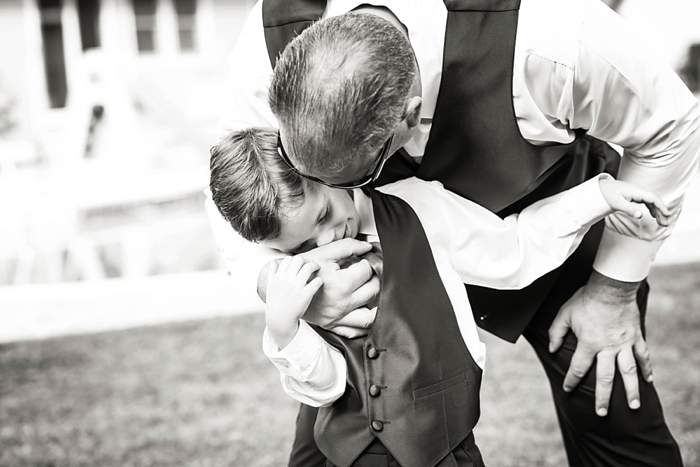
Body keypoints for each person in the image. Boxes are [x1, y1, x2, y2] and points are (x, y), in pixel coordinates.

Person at [213, 1, 700, 465]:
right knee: (339, 428)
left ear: (408, 115)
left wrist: (614, 289)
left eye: (350, 176)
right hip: (373, 245)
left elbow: (672, 126)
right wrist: (293, 291)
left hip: (544, 213)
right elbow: (235, 193)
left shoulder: (554, 38)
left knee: (609, 397)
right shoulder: (272, 35)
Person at [208, 127, 672, 466]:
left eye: (326, 212)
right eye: (305, 245)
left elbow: (513, 249)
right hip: (342, 455)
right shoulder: (297, 277)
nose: (331, 237)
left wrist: (597, 197)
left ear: (322, 168)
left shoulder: (421, 207)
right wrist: (285, 330)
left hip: (442, 449)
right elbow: (326, 388)